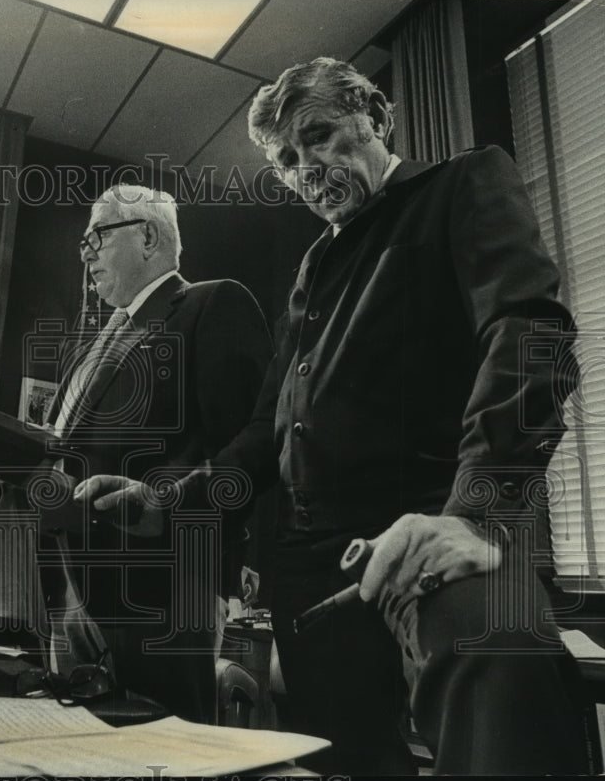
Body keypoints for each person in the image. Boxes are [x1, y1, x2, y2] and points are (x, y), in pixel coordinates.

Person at [76, 59, 591, 774]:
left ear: (375, 117)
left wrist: (479, 512)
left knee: (502, 669)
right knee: (343, 762)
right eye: (287, 160)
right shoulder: (311, 270)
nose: (306, 166)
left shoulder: (461, 185)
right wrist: (168, 500)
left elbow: (530, 335)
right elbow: (266, 434)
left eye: (318, 136)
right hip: (312, 582)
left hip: (430, 535)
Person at [40, 184, 272, 724]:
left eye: (97, 235)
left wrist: (162, 498)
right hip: (70, 586)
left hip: (163, 590)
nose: (85, 252)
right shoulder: (95, 345)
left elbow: (249, 446)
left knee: (163, 750)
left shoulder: (212, 303)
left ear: (147, 235)